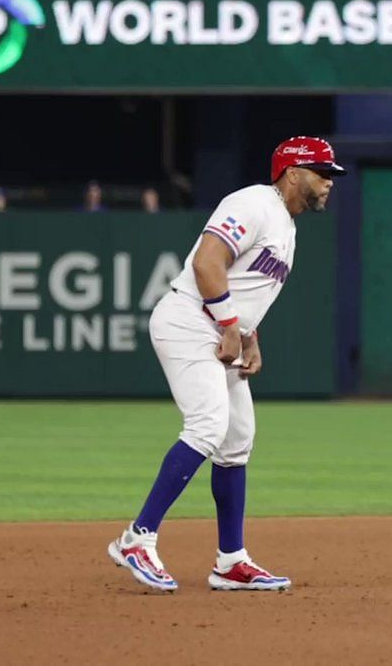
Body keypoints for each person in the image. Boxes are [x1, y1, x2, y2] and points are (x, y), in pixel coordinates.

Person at [107, 136, 346, 592]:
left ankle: (230, 560)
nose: (329, 182)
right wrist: (233, 326)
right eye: (321, 172)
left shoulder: (287, 226)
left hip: (221, 330)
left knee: (237, 441)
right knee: (207, 427)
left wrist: (248, 335)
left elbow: (241, 285)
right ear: (292, 173)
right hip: (189, 322)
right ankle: (138, 538)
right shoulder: (255, 202)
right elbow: (207, 263)